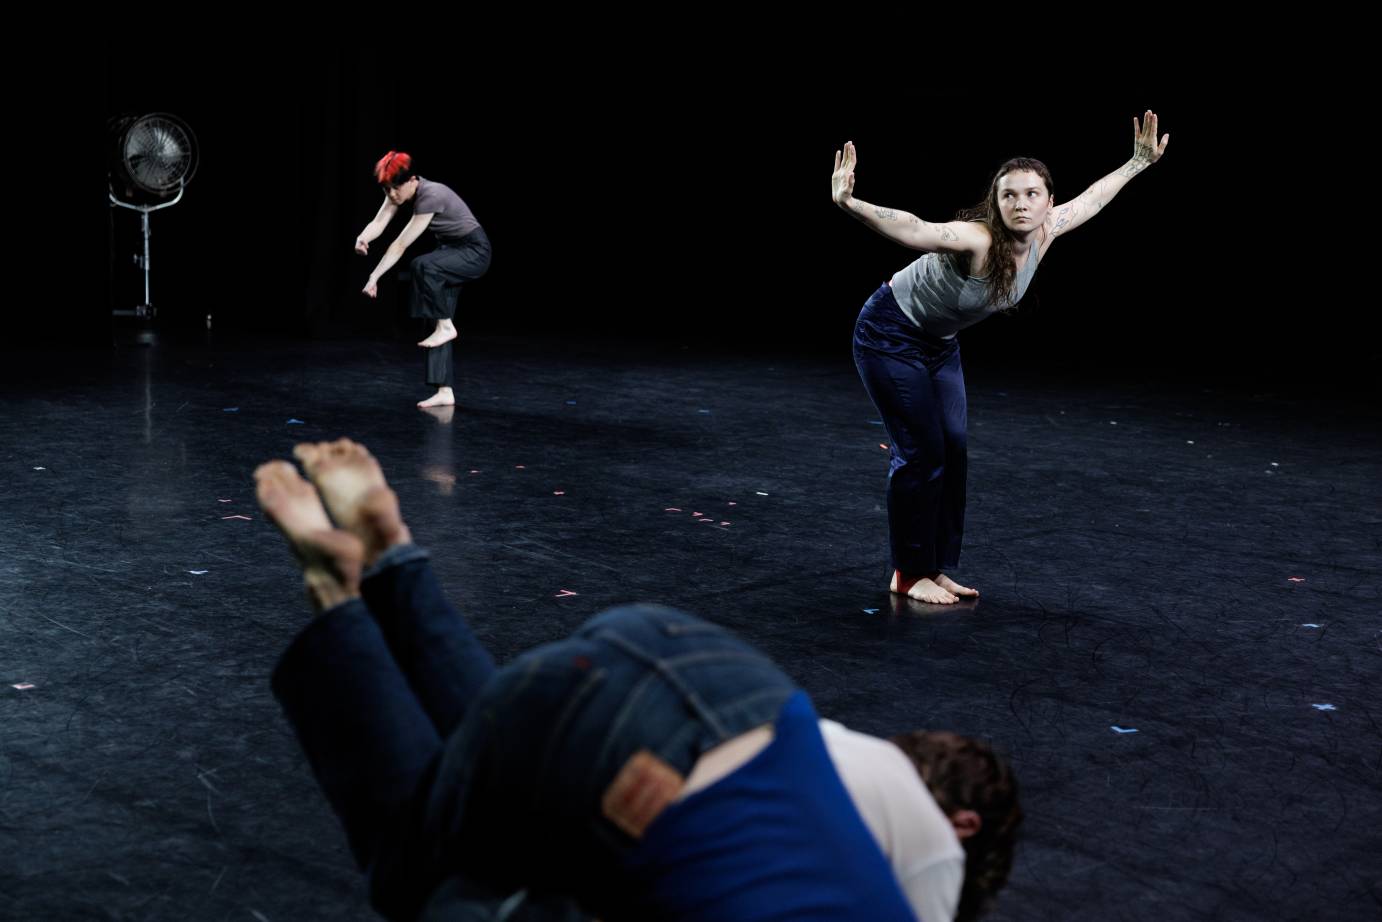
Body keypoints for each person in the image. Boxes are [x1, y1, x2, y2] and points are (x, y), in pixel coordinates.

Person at [255, 438, 1023, 921]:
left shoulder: (859, 770)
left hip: (715, 676)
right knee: (428, 872)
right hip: (652, 766)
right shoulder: (932, 872)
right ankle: (338, 597)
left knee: (502, 794)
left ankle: (396, 558)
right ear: (964, 831)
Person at [834, 111, 1170, 604]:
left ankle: (934, 566)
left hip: (939, 344)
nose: (1020, 203)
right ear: (995, 202)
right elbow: (915, 228)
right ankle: (907, 573)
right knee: (922, 452)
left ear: (1048, 201)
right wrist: (848, 202)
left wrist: (1138, 163)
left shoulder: (1048, 230)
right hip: (889, 335)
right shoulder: (979, 238)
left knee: (953, 447)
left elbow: (1094, 198)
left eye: (1032, 193)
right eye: (1008, 194)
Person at [356, 152, 491, 408]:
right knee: (435, 313)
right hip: (450, 251)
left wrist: (374, 276)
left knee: (422, 266)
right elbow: (379, 221)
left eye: (395, 188)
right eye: (387, 189)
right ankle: (444, 390)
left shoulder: (431, 195)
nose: (392, 195)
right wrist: (363, 238)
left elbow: (400, 245)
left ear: (412, 180)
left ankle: (447, 326)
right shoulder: (397, 193)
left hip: (474, 251)